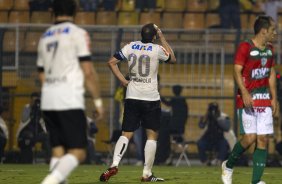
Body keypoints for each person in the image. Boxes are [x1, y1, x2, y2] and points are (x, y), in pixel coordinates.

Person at [99, 23, 176, 182]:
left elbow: (111, 62)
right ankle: (147, 173)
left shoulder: (130, 46)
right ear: (154, 36)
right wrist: (162, 37)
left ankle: (114, 164)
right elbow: (172, 58)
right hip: (151, 98)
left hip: (132, 96)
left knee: (126, 133)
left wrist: (123, 80)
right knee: (152, 135)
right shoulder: (156, 49)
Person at [37, 0, 104, 183]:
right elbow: (88, 71)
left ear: (53, 11)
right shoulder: (78, 34)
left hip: (48, 97)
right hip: (68, 98)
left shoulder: (45, 36)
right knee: (79, 152)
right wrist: (97, 101)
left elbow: (41, 74)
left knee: (58, 151)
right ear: (76, 11)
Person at [221, 15, 277, 184]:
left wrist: (274, 97)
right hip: (247, 99)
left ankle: (256, 181)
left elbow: (271, 73)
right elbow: (236, 71)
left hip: (264, 99)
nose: (275, 33)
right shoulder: (245, 47)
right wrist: (244, 92)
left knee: (262, 139)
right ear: (263, 31)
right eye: (273, 30)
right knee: (249, 138)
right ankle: (228, 165)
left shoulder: (270, 50)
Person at [16, 92, 49, 164]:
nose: (35, 102)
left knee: (47, 137)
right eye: (34, 100)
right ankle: (26, 161)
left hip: (37, 133)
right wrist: (31, 108)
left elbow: (44, 122)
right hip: (26, 132)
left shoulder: (40, 109)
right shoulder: (27, 107)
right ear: (30, 100)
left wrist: (41, 109)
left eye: (37, 100)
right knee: (28, 136)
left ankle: (49, 160)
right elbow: (24, 118)